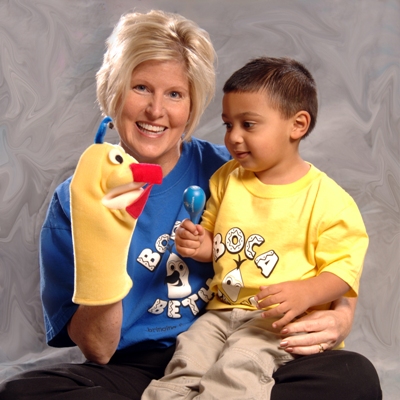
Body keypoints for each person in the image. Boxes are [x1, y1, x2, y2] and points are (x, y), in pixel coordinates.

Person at [0, 10, 381, 400]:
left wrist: (341, 315)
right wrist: (104, 238)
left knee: (354, 376)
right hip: (137, 366)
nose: (156, 110)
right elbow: (98, 349)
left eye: (174, 94)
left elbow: (317, 239)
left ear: (192, 105)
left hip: (246, 343)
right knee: (22, 392)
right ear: (113, 93)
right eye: (140, 88)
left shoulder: (233, 172)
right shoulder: (75, 200)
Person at [141, 56, 371, 400]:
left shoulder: (329, 200)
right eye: (228, 124)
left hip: (276, 322)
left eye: (248, 124)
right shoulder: (226, 179)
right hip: (219, 313)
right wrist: (199, 244)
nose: (233, 137)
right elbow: (215, 243)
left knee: (239, 367)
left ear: (297, 125)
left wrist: (306, 293)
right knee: (187, 357)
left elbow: (343, 272)